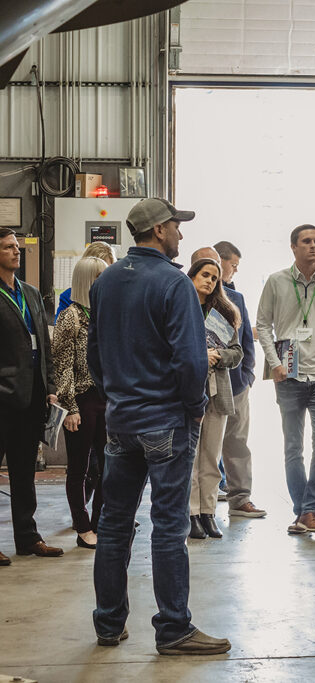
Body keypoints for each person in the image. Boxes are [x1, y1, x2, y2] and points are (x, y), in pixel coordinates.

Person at [88, 197, 230, 654]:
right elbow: (189, 360)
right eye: (176, 226)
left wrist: (115, 397)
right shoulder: (174, 284)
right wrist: (193, 407)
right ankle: (173, 629)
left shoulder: (106, 280)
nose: (181, 235)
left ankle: (108, 624)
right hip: (166, 421)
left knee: (114, 524)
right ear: (158, 230)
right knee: (168, 527)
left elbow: (95, 354)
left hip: (121, 422)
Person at [255, 224, 315, 535]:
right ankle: (303, 511)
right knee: (293, 447)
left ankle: (310, 509)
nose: (313, 246)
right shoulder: (277, 281)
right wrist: (274, 364)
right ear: (293, 247)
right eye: (306, 242)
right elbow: (262, 325)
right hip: (289, 377)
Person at [0, 227, 63, 565]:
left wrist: (51, 387)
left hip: (32, 398)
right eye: (8, 247)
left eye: (17, 247)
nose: (16, 252)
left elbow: (46, 346)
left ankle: (27, 538)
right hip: (3, 399)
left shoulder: (31, 293)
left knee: (25, 473)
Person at [53, 255, 108, 550]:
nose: (104, 282)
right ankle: (82, 526)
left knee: (108, 465)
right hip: (82, 399)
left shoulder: (104, 314)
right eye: (100, 277)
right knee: (79, 468)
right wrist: (70, 407)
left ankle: (100, 522)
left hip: (106, 399)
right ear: (88, 280)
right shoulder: (70, 316)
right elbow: (62, 365)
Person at [186, 256, 242, 540]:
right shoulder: (180, 308)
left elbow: (237, 352)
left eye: (215, 278)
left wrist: (217, 355)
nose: (209, 281)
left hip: (217, 393)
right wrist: (199, 356)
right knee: (192, 458)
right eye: (205, 275)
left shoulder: (222, 312)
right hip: (187, 393)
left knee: (211, 456)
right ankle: (192, 513)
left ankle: (208, 513)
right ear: (193, 275)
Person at [212, 241, 266, 519]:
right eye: (233, 265)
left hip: (236, 383)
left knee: (237, 442)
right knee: (204, 450)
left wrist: (247, 376)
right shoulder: (189, 294)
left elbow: (246, 343)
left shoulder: (238, 298)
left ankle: (240, 498)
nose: (234, 271)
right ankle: (202, 506)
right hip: (203, 385)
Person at [54, 241, 114, 322]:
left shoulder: (115, 296)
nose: (103, 279)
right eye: (98, 274)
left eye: (107, 272)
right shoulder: (69, 297)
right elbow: (59, 329)